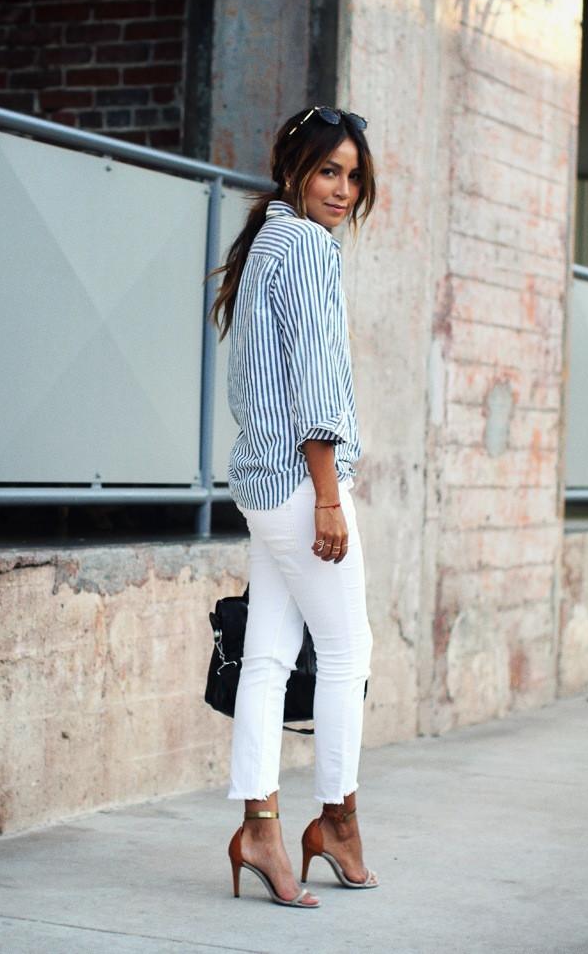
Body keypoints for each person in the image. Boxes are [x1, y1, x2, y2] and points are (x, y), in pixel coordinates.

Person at [209, 105, 378, 908]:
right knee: (348, 654)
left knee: (271, 658)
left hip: (260, 484)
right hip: (301, 486)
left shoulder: (265, 243)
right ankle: (337, 822)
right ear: (293, 173)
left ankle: (261, 827)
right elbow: (315, 385)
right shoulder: (306, 248)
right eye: (327, 172)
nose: (342, 189)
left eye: (352, 174)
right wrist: (328, 497)